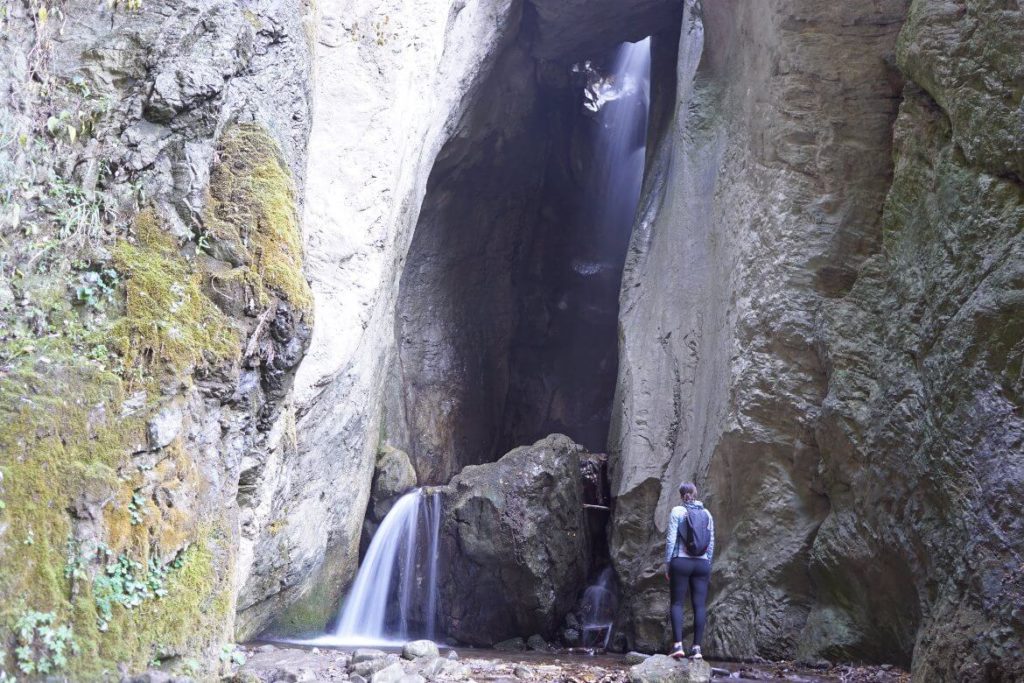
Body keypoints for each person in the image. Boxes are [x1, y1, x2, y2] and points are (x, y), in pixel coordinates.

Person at [664, 481, 714, 660]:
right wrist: (708, 564)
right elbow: (711, 542)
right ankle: (697, 649)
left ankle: (678, 646)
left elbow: (671, 540)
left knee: (677, 603)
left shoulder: (677, 512)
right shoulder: (707, 514)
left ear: (681, 495)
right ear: (696, 494)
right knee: (699, 605)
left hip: (681, 562)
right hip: (702, 564)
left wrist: (668, 564)